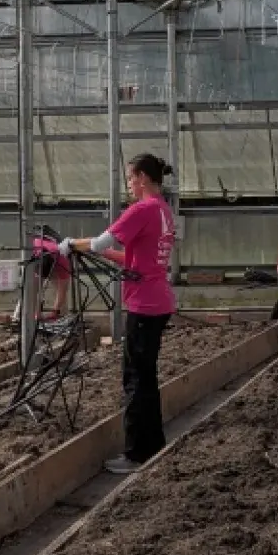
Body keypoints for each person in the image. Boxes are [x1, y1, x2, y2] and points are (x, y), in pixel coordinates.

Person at [61, 153, 177, 474]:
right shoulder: (164, 211)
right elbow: (137, 258)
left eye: (130, 178)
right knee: (147, 377)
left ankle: (136, 453)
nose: (128, 184)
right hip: (158, 301)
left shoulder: (142, 209)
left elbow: (99, 242)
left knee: (135, 379)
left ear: (141, 177)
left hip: (143, 305)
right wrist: (107, 254)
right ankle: (154, 445)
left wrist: (72, 243)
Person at [27, 233, 72, 321]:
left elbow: (62, 289)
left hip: (56, 258)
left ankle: (62, 317)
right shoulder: (32, 249)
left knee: (60, 292)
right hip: (38, 260)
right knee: (30, 289)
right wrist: (36, 312)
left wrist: (55, 311)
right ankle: (28, 316)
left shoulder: (62, 261)